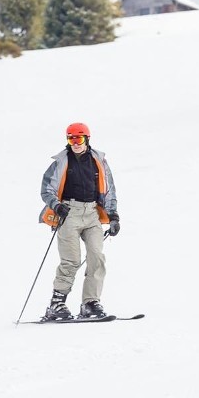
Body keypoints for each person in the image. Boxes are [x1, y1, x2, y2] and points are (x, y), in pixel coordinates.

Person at [39, 122, 120, 320]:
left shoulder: (98, 161)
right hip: (69, 213)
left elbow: (109, 189)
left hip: (92, 213)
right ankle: (56, 305)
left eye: (79, 138)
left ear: (87, 139)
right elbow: (46, 190)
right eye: (71, 139)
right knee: (71, 261)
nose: (75, 143)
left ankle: (90, 303)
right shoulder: (60, 162)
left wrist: (113, 216)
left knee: (96, 257)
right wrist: (57, 206)